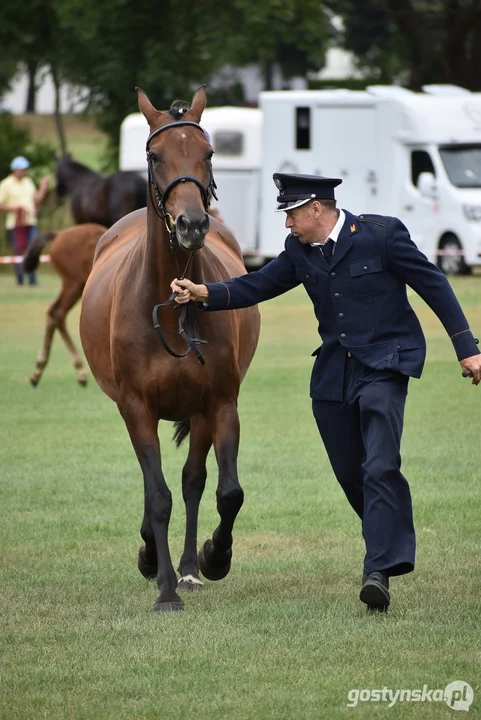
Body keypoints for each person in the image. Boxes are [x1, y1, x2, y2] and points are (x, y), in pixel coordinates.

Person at [171, 173, 481, 612]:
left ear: (316, 208)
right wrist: (205, 293)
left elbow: (433, 284)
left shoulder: (382, 235)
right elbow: (257, 285)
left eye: (291, 214)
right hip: (334, 375)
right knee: (352, 474)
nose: (287, 225)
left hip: (386, 364)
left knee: (379, 464)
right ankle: (387, 538)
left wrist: (467, 348)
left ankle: (377, 571)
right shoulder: (299, 252)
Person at [0, 156, 50, 285]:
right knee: (19, 251)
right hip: (15, 224)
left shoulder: (28, 182)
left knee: (32, 249)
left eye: (26, 169)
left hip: (31, 222)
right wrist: (15, 208)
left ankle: (32, 280)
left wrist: (43, 188)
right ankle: (20, 279)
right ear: (15, 170)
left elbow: (36, 200)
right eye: (23, 169)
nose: (25, 171)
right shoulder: (6, 184)